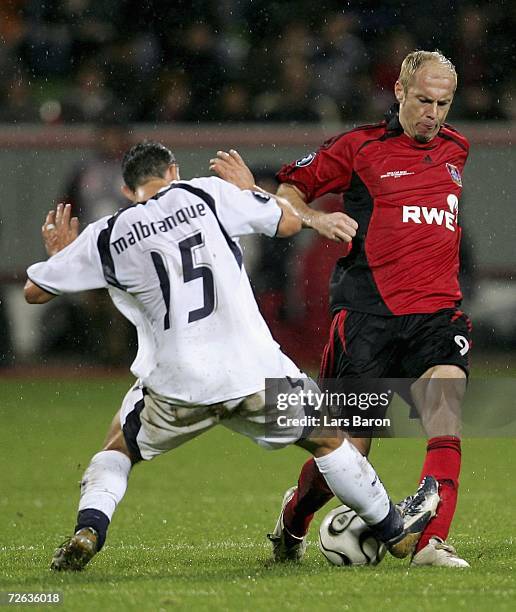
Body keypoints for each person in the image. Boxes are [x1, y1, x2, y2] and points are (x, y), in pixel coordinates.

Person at [24, 142, 438, 571]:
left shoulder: (108, 234)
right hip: (251, 372)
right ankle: (393, 529)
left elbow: (35, 292)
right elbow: (291, 223)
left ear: (128, 192)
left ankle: (89, 529)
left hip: (178, 383)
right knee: (329, 441)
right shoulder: (206, 193)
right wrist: (247, 190)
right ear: (173, 171)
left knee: (118, 449)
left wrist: (62, 256)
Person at [214, 51, 471, 568]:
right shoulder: (358, 147)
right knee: (349, 455)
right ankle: (295, 516)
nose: (433, 114)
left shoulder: (456, 150)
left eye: (443, 104)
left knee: (447, 412)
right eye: (424, 100)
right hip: (366, 318)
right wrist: (313, 219)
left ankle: (430, 543)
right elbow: (291, 192)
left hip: (437, 315)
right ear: (399, 91)